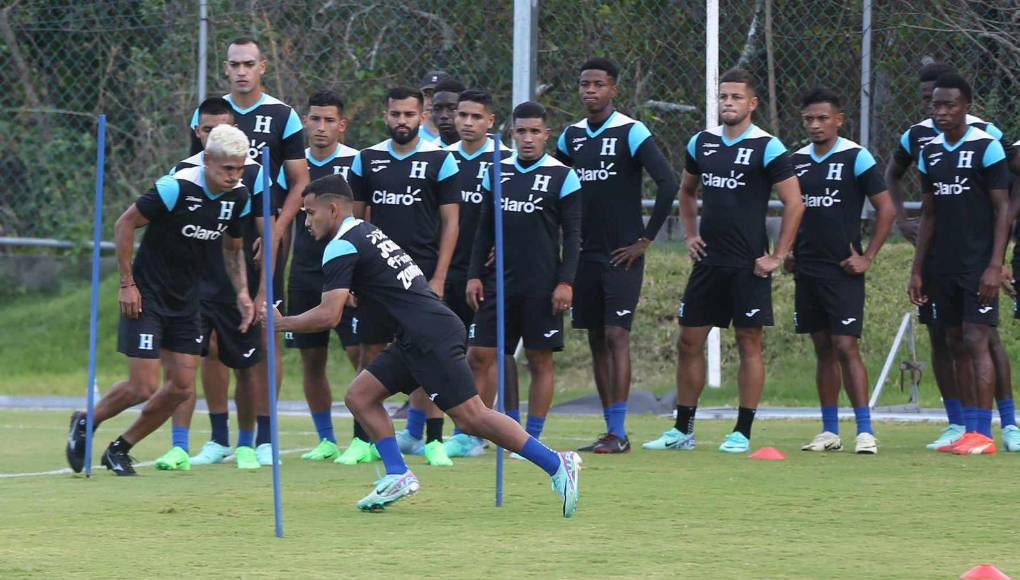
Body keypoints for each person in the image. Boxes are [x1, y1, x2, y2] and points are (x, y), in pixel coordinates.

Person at [271, 175, 581, 516]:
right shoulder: (366, 232)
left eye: (309, 212)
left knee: (472, 418)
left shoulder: (341, 245)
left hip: (429, 335)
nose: (306, 222)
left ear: (332, 209)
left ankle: (557, 463)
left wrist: (280, 323)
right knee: (360, 396)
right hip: (418, 333)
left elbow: (329, 315)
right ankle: (398, 474)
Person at [65, 126, 254, 475]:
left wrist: (242, 292)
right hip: (147, 295)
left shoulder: (239, 197)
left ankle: (120, 449)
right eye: (227, 168)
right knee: (143, 386)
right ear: (208, 160)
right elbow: (124, 224)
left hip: (188, 301)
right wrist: (127, 283)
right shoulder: (175, 187)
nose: (234, 175)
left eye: (239, 168)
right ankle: (86, 420)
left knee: (181, 388)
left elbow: (232, 248)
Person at [643, 68, 804, 454]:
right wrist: (691, 234)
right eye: (723, 96)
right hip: (709, 263)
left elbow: (795, 203)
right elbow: (686, 191)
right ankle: (683, 430)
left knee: (749, 343)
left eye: (736, 97)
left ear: (752, 103)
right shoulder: (703, 143)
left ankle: (742, 432)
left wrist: (778, 256)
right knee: (688, 342)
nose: (728, 103)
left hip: (749, 265)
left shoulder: (768, 147)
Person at [886, 62, 1019, 451]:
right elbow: (925, 207)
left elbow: (1003, 203)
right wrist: (912, 254)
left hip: (978, 259)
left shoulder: (987, 140)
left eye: (946, 103)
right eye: (932, 103)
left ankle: (1001, 427)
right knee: (948, 339)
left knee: (982, 338)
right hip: (939, 262)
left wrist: (997, 261)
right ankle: (962, 426)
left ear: (965, 105)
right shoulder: (924, 145)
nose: (938, 109)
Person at [190, 36, 310, 465]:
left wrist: (276, 229)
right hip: (216, 236)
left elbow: (300, 180)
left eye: (249, 64)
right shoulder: (209, 114)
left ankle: (264, 437)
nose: (241, 71)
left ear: (262, 67)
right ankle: (219, 437)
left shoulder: (282, 115)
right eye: (234, 64)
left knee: (264, 328)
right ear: (225, 68)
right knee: (213, 337)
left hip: (263, 231)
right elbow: (195, 173)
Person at [554, 57, 677, 453]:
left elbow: (668, 183)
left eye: (598, 84)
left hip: (622, 254)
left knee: (616, 334)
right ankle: (610, 430)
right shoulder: (572, 136)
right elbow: (548, 181)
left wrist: (645, 239)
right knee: (594, 338)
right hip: (583, 254)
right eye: (584, 84)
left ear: (613, 90)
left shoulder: (631, 131)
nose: (590, 90)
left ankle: (620, 432)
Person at [348, 86, 460, 466]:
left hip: (421, 276)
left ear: (421, 117)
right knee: (370, 350)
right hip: (376, 276)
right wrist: (352, 276)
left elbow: (451, 223)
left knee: (428, 354)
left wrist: (440, 277)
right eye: (395, 114)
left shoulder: (440, 159)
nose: (401, 121)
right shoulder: (367, 159)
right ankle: (361, 440)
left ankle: (434, 440)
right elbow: (354, 223)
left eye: (409, 114)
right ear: (386, 115)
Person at [156, 97, 269, 471]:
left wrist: (260, 290)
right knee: (187, 364)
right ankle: (184, 444)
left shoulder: (252, 173)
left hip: (237, 281)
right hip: (193, 284)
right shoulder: (183, 173)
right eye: (207, 130)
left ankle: (247, 444)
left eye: (222, 129)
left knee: (246, 363)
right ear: (198, 133)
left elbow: (262, 233)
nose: (214, 136)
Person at [466, 101, 581, 458]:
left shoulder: (563, 176)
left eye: (534, 132)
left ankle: (532, 437)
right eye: (521, 131)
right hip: (498, 283)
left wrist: (566, 282)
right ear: (512, 134)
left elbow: (573, 237)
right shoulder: (496, 171)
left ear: (546, 134)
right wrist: (474, 274)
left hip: (542, 286)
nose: (528, 138)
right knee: (481, 355)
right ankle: (482, 433)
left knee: (539, 359)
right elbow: (483, 229)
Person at [786, 88, 895, 454]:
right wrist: (786, 251)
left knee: (846, 345)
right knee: (823, 349)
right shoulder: (796, 160)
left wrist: (868, 257)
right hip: (807, 269)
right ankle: (829, 431)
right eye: (809, 119)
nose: (815, 125)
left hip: (843, 270)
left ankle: (865, 430)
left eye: (822, 118)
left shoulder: (855, 156)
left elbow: (887, 209)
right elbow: (792, 208)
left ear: (838, 120)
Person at [283, 89, 364, 463]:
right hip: (304, 271)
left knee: (359, 354)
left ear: (341, 125)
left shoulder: (356, 162)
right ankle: (326, 439)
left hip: (346, 272)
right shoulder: (294, 166)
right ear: (305, 122)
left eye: (329, 120)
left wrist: (360, 274)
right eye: (315, 119)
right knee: (311, 358)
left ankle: (363, 438)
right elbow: (285, 217)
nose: (321, 127)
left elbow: (364, 216)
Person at [439, 88, 517, 459]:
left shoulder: (505, 160)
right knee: (443, 351)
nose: (467, 123)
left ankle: (480, 432)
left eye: (476, 117)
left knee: (485, 354)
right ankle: (429, 429)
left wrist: (505, 246)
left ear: (490, 121)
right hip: (447, 270)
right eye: (462, 115)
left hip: (487, 273)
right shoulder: (442, 158)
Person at [418, 71, 450, 145]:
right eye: (427, 95)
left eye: (437, 95)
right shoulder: (411, 136)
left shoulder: (462, 135)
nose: (431, 102)